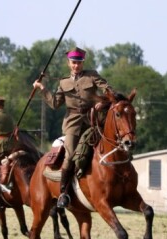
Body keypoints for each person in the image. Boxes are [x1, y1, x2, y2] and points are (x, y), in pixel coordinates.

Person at [33, 47, 114, 208]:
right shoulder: (63, 82)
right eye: (73, 63)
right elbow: (55, 104)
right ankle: (63, 193)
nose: (76, 65)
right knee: (70, 156)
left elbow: (107, 89)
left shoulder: (92, 75)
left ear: (83, 63)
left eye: (79, 62)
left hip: (93, 120)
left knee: (108, 147)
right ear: (69, 63)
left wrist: (105, 100)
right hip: (72, 124)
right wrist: (42, 89)